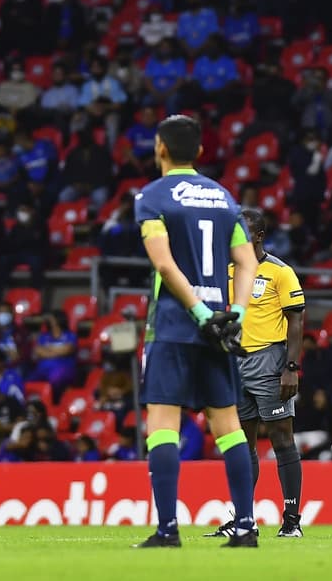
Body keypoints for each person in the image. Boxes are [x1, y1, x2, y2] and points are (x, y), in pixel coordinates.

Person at [133, 115, 260, 548]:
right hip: (220, 329)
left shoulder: (152, 197)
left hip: (174, 323)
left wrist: (199, 313)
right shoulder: (224, 198)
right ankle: (246, 525)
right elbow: (249, 262)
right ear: (200, 153)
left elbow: (164, 264)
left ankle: (168, 530)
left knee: (163, 425)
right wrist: (235, 314)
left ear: (161, 149)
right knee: (228, 425)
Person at [206, 208, 306, 539]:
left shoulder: (280, 272)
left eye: (242, 233)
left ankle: (292, 520)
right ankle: (244, 519)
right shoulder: (227, 272)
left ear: (259, 236)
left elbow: (296, 320)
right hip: (235, 364)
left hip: (269, 361)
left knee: (281, 439)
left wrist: (291, 367)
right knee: (241, 444)